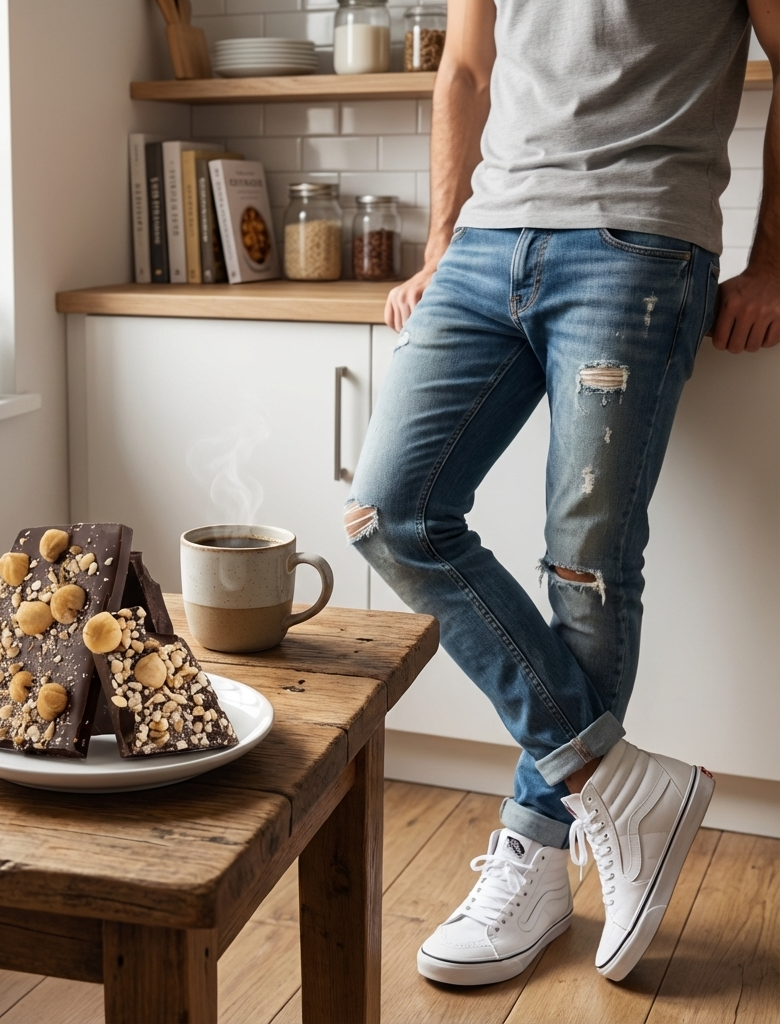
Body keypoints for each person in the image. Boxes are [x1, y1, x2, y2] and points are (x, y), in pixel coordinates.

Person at [345, 0, 779, 987]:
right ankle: (610, 781)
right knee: (389, 512)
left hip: (638, 240)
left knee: (585, 566)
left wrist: (774, 262)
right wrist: (440, 241)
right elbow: (465, 69)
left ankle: (536, 855)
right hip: (485, 240)